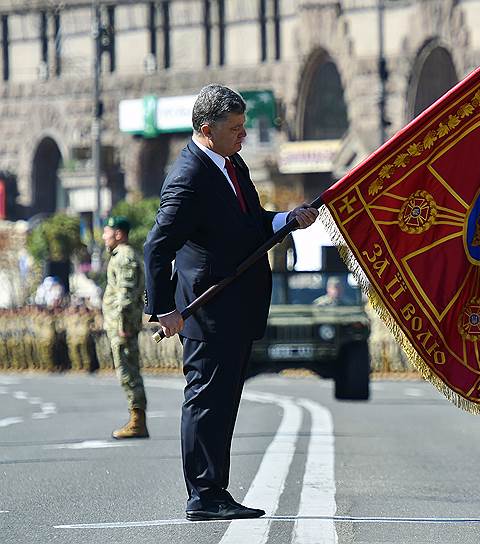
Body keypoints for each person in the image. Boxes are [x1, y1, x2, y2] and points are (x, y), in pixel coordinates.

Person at [143, 84, 319, 521]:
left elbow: (249, 223)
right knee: (206, 401)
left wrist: (285, 220)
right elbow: (156, 247)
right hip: (206, 310)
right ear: (207, 129)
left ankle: (215, 490)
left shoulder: (232, 164)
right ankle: (203, 495)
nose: (244, 135)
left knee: (224, 403)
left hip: (236, 309)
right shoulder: (189, 176)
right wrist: (164, 308)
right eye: (236, 128)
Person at [102, 215, 148, 439]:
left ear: (119, 234)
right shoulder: (120, 256)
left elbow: (126, 294)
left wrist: (123, 324)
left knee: (128, 372)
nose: (104, 237)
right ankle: (136, 419)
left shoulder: (124, 257)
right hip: (122, 325)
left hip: (123, 327)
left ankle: (137, 421)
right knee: (127, 371)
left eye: (107, 232)